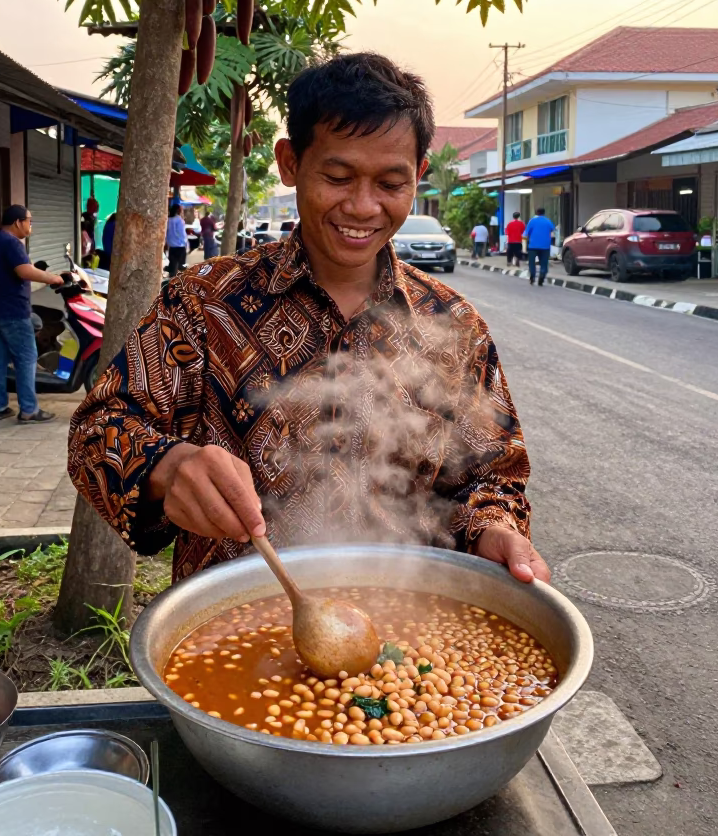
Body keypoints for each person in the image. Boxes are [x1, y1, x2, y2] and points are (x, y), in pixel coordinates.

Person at [68, 53, 549, 589]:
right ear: (290, 162)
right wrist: (168, 466)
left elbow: (493, 475)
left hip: (411, 618)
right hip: (232, 620)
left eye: (391, 184)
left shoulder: (454, 325)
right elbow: (95, 432)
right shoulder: (203, 304)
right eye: (338, 176)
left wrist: (495, 528)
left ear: (418, 175)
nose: (364, 207)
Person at [0, 205, 64, 423]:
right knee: (27, 357)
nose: (31, 225)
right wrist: (53, 278)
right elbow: (24, 271)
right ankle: (28, 409)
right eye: (29, 221)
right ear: (18, 222)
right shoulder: (11, 243)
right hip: (12, 312)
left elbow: (15, 268)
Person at [523, 207, 555, 286]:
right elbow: (553, 231)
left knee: (531, 263)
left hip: (533, 246)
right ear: (544, 213)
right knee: (544, 263)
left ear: (537, 213)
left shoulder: (532, 221)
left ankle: (532, 276)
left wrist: (524, 245)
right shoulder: (548, 221)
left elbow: (526, 234)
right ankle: (542, 276)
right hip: (545, 246)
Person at [165, 204, 188, 277]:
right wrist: (185, 243)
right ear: (178, 211)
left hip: (171, 246)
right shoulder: (179, 220)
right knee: (180, 267)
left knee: (173, 264)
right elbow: (182, 233)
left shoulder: (168, 220)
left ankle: (171, 281)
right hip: (180, 245)